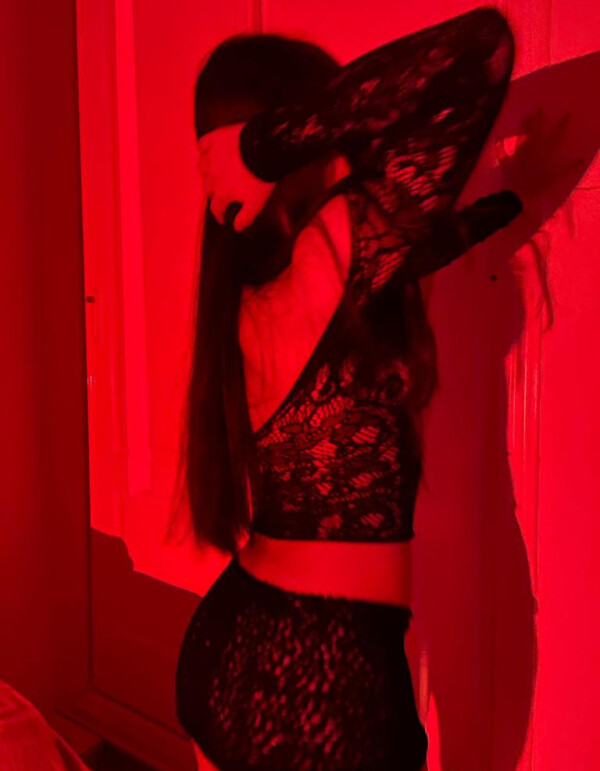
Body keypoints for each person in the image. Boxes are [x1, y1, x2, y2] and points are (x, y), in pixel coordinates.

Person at [174, 7, 523, 770]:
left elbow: (405, 253)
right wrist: (266, 145)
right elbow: (480, 52)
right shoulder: (331, 248)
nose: (353, 148)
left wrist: (507, 204)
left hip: (232, 638)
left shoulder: (262, 292)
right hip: (328, 677)